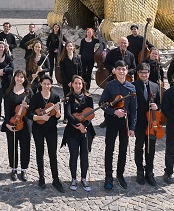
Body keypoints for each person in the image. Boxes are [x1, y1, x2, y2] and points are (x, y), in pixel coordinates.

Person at [99, 60, 137, 190]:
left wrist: (132, 127)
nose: (121, 71)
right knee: (109, 149)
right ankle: (108, 176)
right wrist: (114, 111)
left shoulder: (132, 88)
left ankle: (120, 175)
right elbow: (102, 104)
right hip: (112, 121)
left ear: (127, 71)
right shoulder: (110, 86)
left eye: (124, 69)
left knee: (123, 149)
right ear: (114, 71)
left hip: (125, 123)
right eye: (119, 69)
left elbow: (134, 109)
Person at [29, 74, 64, 192]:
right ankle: (41, 178)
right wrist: (40, 118)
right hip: (38, 129)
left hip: (51, 129)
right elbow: (30, 114)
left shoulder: (56, 97)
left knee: (52, 154)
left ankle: (55, 179)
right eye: (44, 84)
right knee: (40, 153)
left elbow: (58, 117)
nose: (46, 86)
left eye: (48, 84)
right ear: (41, 84)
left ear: (51, 85)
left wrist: (58, 112)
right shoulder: (36, 97)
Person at [62, 75, 94, 191]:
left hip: (86, 130)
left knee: (85, 156)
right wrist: (78, 125)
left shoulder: (88, 97)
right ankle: (74, 178)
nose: (78, 85)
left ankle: (84, 178)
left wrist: (83, 126)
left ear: (83, 85)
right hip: (72, 131)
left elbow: (91, 115)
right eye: (75, 83)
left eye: (80, 83)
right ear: (72, 84)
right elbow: (68, 115)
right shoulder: (68, 98)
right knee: (74, 155)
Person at [133, 63, 162, 186]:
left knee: (151, 148)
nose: (144, 75)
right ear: (138, 74)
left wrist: (157, 106)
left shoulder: (155, 86)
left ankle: (149, 172)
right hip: (139, 122)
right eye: (141, 73)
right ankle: (140, 171)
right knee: (139, 147)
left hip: (152, 123)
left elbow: (160, 104)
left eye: (146, 72)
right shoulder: (133, 86)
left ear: (149, 73)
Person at [2, 70, 32, 181]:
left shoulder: (28, 92)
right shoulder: (9, 93)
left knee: (25, 147)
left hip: (26, 124)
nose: (19, 79)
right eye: (17, 76)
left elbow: (33, 110)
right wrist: (7, 124)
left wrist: (28, 106)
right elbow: (6, 110)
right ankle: (13, 169)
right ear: (14, 78)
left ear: (24, 79)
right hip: (12, 122)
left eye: (21, 77)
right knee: (12, 146)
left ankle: (24, 169)